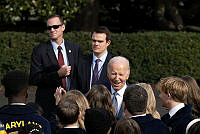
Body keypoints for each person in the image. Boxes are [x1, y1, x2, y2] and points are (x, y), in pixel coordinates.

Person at [29, 14, 82, 119]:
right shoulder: (39, 50)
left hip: (72, 103)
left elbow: (79, 75)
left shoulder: (75, 48)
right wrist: (57, 74)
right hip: (48, 104)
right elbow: (34, 78)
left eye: (55, 26)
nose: (52, 30)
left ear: (63, 27)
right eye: (49, 28)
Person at [77, 26, 112, 94]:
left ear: (108, 43)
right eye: (94, 40)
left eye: (100, 41)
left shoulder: (114, 63)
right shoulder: (81, 62)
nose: (96, 44)